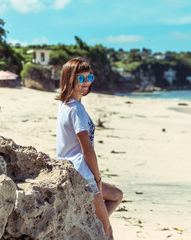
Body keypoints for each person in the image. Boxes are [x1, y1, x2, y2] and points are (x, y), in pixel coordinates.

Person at [56, 57, 122, 239]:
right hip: (83, 174)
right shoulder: (76, 109)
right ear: (70, 79)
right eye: (81, 78)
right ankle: (92, 228)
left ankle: (89, 227)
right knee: (107, 230)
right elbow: (87, 150)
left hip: (69, 169)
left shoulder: (65, 104)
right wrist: (98, 179)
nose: (86, 83)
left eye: (89, 78)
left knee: (116, 195)